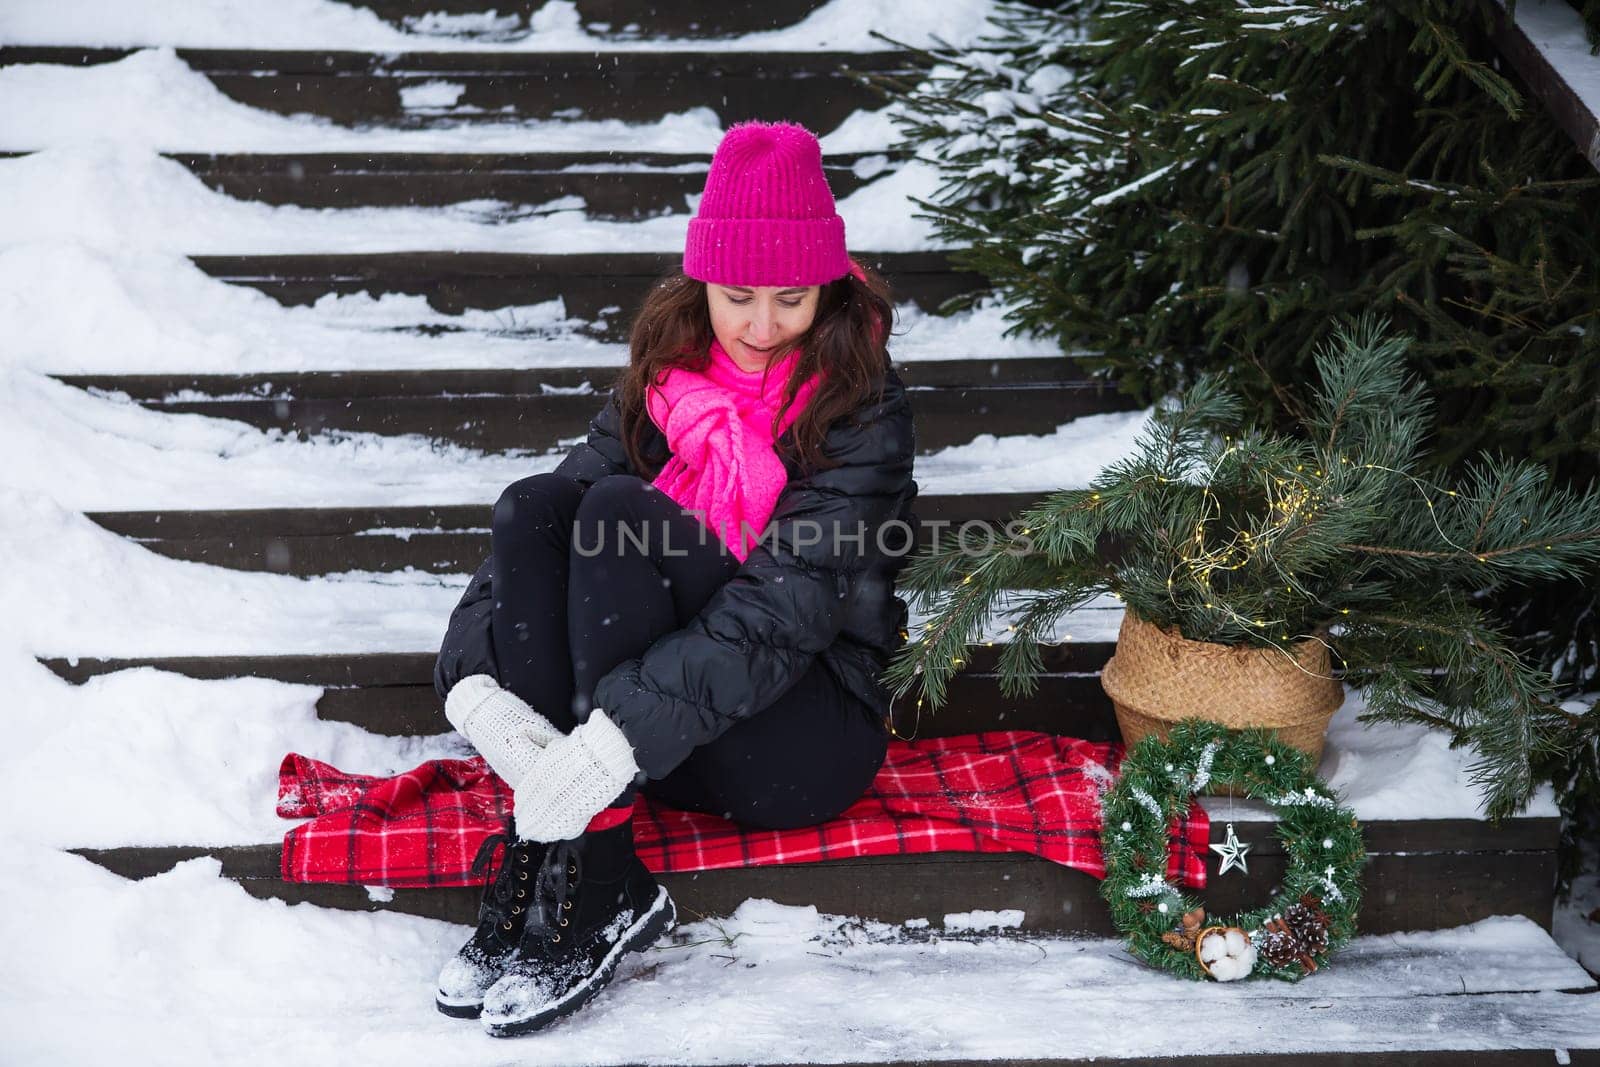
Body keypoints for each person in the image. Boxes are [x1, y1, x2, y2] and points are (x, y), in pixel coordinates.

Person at [428, 120, 918, 1038]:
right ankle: (564, 846)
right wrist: (475, 679)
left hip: (801, 738)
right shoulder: (665, 377)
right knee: (539, 503)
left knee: (619, 510)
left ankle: (598, 863)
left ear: (832, 289)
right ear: (702, 284)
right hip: (666, 737)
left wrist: (610, 745)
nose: (763, 327)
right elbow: (537, 532)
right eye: (738, 296)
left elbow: (786, 607)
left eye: (792, 298)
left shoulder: (862, 404)